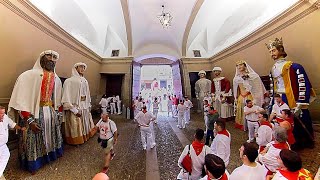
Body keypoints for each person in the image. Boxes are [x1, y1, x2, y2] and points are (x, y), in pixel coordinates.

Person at [8, 50, 63, 173]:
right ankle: (33, 164)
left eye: (54, 57)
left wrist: (58, 114)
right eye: (49, 56)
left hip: (50, 113)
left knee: (50, 137)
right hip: (34, 114)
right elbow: (21, 99)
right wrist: (29, 119)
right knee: (32, 138)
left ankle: (50, 156)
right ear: (42, 58)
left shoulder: (57, 79)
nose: (52, 59)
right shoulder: (28, 76)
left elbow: (58, 99)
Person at [267, 37, 316, 148]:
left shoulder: (294, 66)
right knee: (279, 119)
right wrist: (271, 101)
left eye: (273, 50)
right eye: (270, 52)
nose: (272, 53)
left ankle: (301, 142)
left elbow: (303, 84)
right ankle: (283, 140)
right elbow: (273, 87)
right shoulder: (272, 69)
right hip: (279, 97)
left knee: (297, 120)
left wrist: (300, 102)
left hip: (291, 97)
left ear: (280, 49)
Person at [61, 62, 95, 145]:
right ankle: (75, 140)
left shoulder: (85, 81)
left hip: (84, 105)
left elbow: (87, 93)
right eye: (81, 67)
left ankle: (85, 136)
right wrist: (73, 109)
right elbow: (66, 96)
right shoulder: (69, 81)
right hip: (75, 106)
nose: (83, 68)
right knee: (75, 124)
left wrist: (88, 104)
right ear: (75, 68)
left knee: (84, 123)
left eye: (84, 67)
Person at [233, 60, 267, 131]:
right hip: (241, 97)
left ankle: (253, 125)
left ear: (245, 65)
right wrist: (235, 97)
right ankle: (244, 125)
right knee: (243, 110)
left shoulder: (253, 75)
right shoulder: (236, 78)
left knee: (251, 110)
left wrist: (257, 97)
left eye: (241, 64)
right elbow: (236, 89)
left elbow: (258, 87)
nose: (239, 66)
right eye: (237, 65)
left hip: (250, 96)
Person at [0, 106, 26, 178]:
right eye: (1, 113)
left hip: (3, 145)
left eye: (3, 113)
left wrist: (20, 128)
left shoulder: (5, 117)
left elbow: (12, 124)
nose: (3, 115)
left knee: (5, 156)